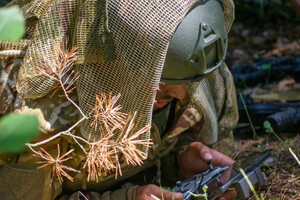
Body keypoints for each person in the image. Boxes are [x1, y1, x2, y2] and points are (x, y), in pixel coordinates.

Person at [0, 0, 238, 199]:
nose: (182, 95)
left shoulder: (197, 67)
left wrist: (178, 164)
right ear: (118, 64)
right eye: (160, 83)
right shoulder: (40, 118)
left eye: (190, 82)